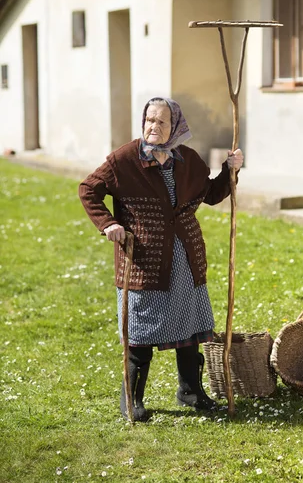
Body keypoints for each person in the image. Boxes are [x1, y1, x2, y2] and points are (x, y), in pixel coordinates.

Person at [79, 97, 244, 421]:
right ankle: (132, 398)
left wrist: (230, 171)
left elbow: (210, 194)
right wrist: (109, 223)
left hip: (185, 259)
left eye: (161, 122)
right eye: (149, 120)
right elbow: (88, 189)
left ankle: (190, 392)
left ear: (176, 128)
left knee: (190, 327)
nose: (153, 127)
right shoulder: (123, 160)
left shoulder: (188, 160)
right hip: (143, 260)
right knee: (140, 331)